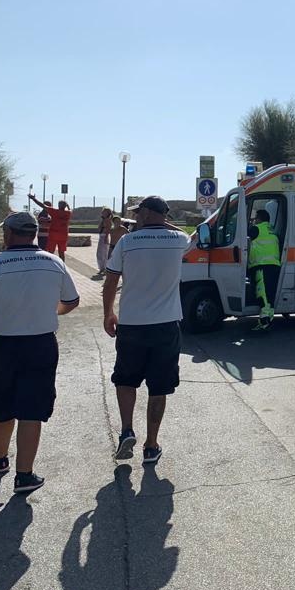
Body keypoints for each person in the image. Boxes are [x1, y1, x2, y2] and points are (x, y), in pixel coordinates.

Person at [0, 211, 80, 493]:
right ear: (34, 233)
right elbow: (71, 301)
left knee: (0, 404)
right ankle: (24, 476)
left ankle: (0, 458)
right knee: (32, 409)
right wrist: (49, 311)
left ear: (9, 234)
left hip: (2, 347)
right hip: (41, 345)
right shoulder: (54, 263)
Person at [102, 196, 190, 465]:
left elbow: (111, 280)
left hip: (132, 324)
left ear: (149, 213)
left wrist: (108, 313)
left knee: (125, 380)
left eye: (139, 212)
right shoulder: (178, 241)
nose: (135, 217)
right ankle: (151, 445)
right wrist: (164, 222)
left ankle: (127, 430)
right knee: (159, 387)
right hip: (166, 325)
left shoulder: (127, 242)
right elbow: (186, 235)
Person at [248, 209, 281, 331]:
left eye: (255, 218)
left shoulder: (256, 229)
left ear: (259, 219)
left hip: (262, 265)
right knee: (269, 294)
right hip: (273, 265)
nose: (254, 220)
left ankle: (264, 321)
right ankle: (267, 319)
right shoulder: (272, 230)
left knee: (263, 294)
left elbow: (240, 233)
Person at [28, 196, 72, 260]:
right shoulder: (68, 213)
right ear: (65, 206)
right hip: (63, 236)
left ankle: (50, 263)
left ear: (58, 205)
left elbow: (42, 205)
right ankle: (62, 264)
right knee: (61, 253)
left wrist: (34, 199)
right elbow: (70, 210)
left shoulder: (54, 211)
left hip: (53, 235)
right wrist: (67, 205)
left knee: (51, 252)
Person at [95, 207, 112, 277]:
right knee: (99, 253)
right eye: (102, 212)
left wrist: (106, 238)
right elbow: (99, 228)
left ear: (108, 213)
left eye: (104, 212)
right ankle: (101, 268)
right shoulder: (103, 220)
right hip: (101, 236)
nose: (102, 213)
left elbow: (108, 229)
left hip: (104, 236)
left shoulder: (108, 220)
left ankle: (105, 268)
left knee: (104, 253)